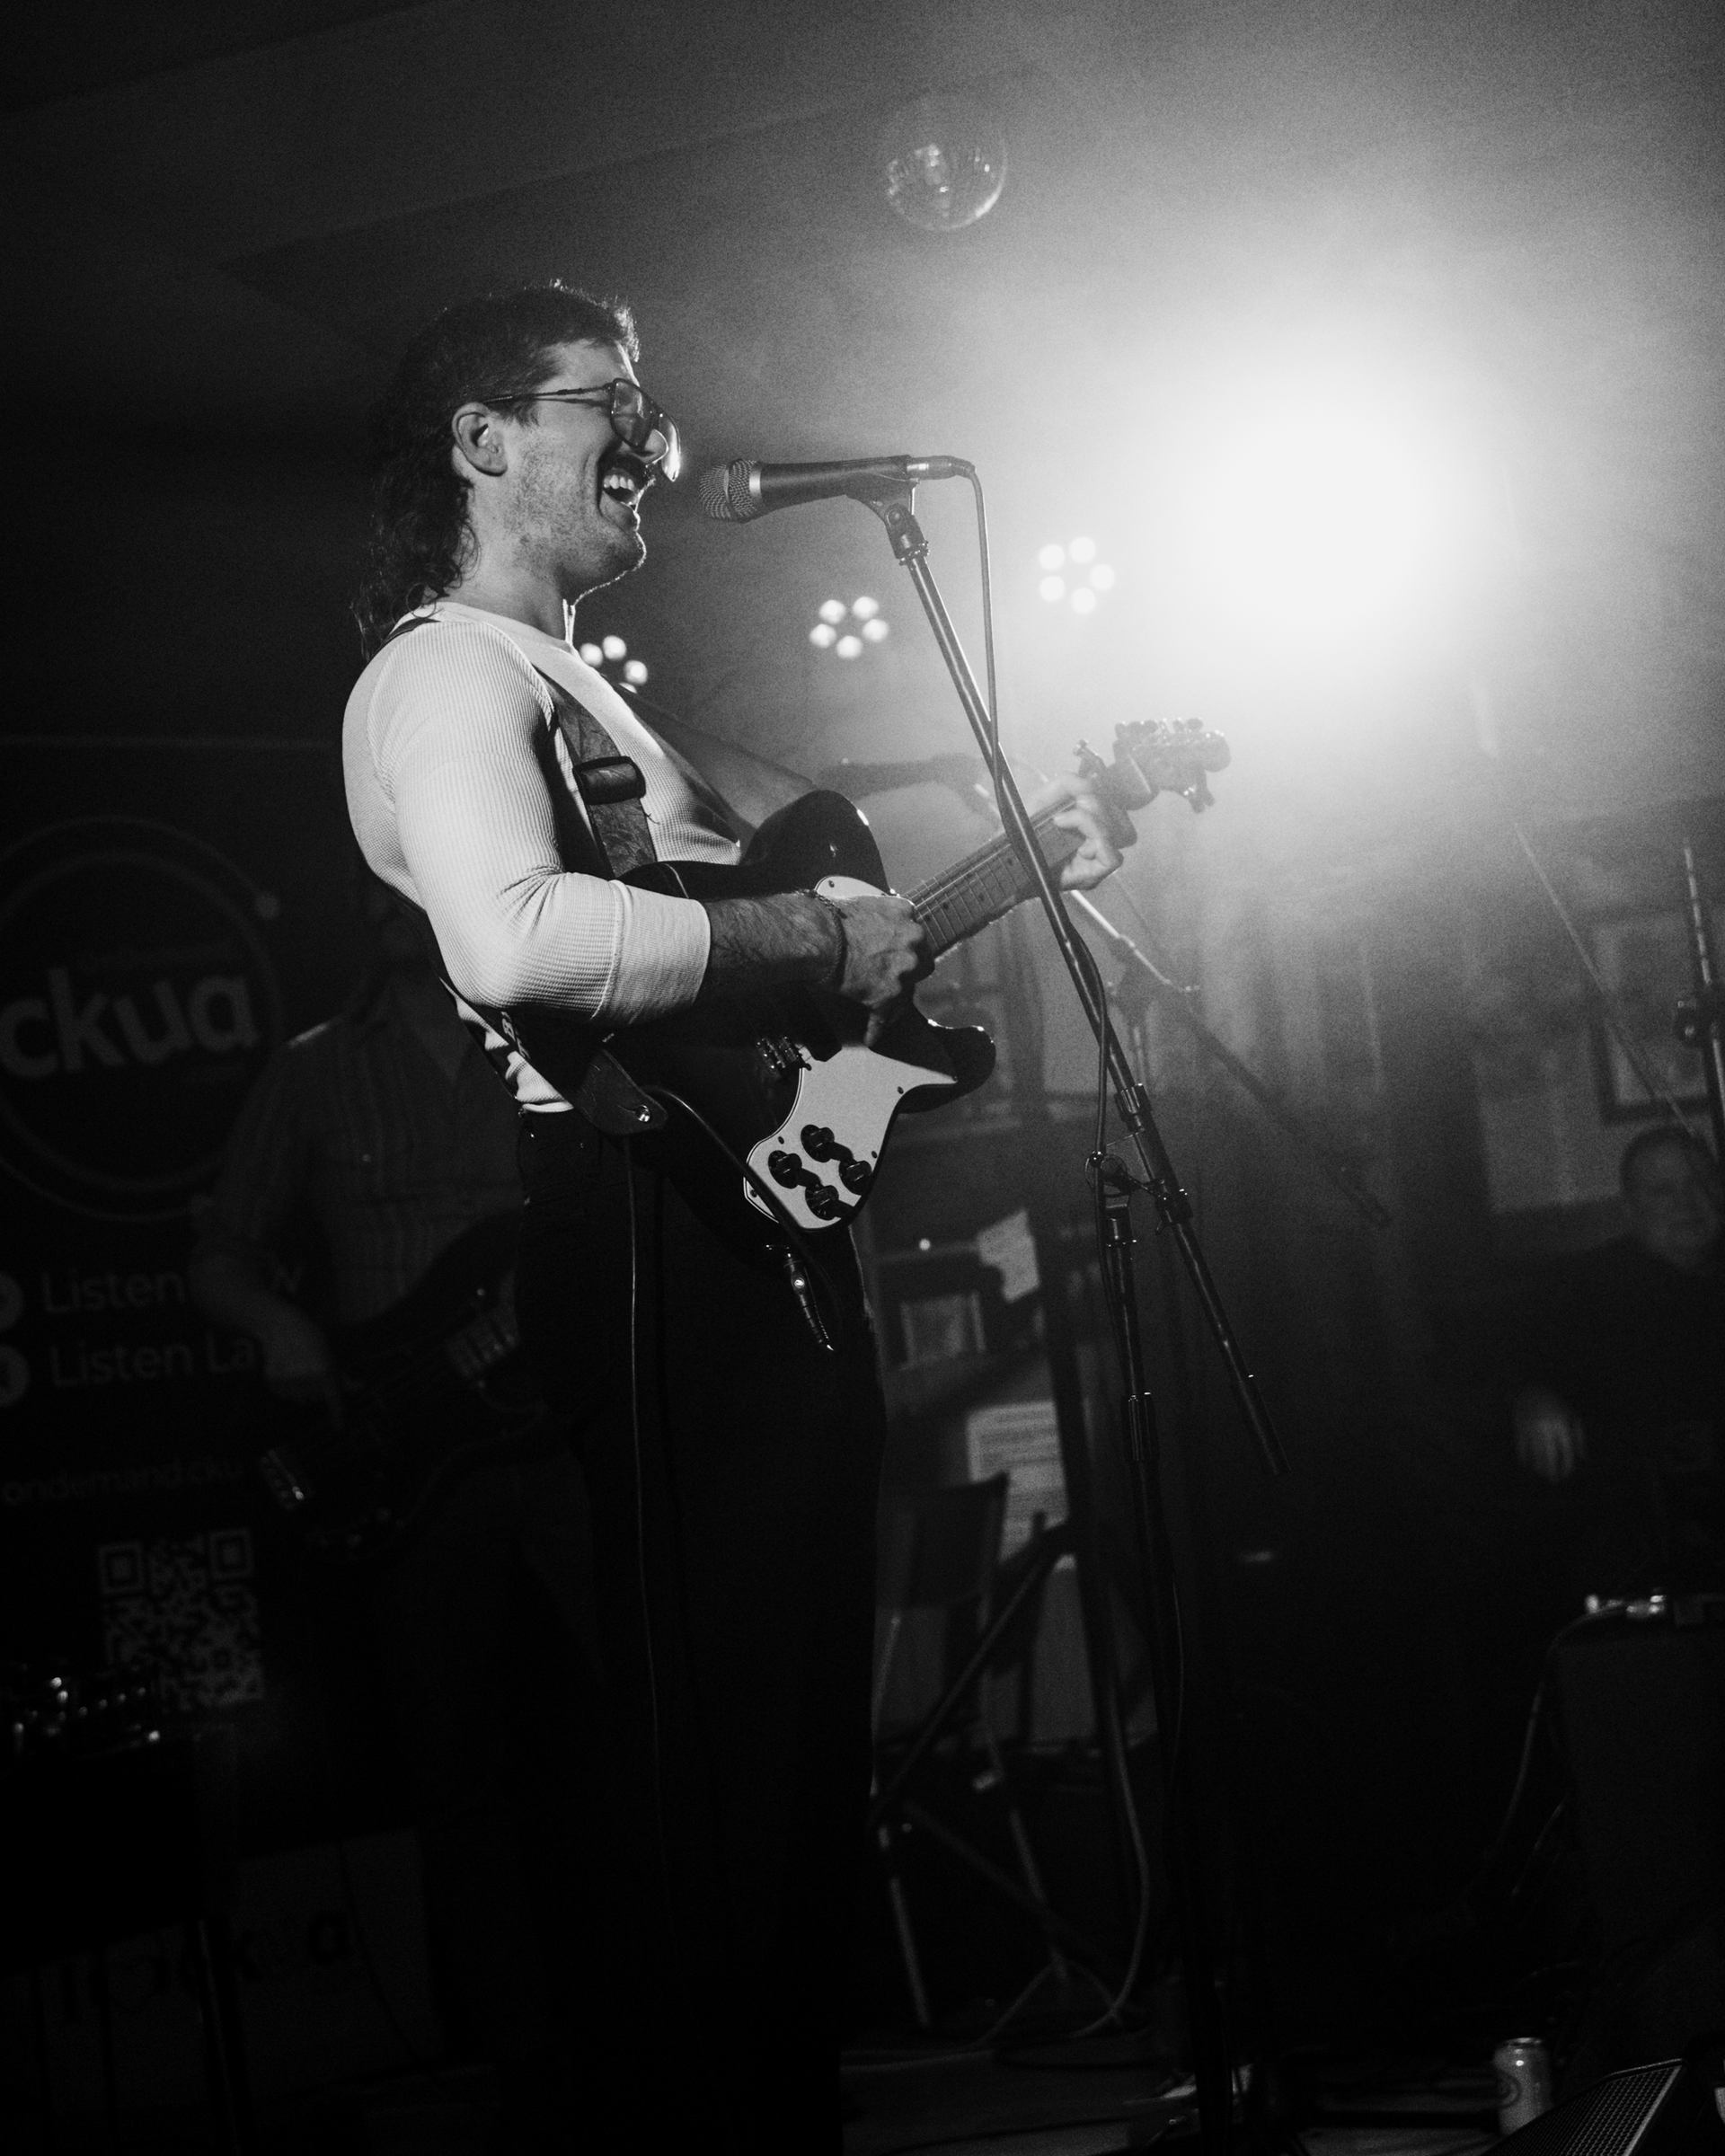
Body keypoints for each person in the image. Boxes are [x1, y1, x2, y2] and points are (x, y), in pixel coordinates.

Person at [342, 279, 1127, 2152]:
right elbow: (511, 937)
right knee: (721, 1771)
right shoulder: (444, 672)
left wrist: (867, 957)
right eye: (607, 396)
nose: (651, 429)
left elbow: (780, 978)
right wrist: (798, 935)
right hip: (642, 1241)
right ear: (484, 441)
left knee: (785, 1769)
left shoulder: (591, 687)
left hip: (739, 1232)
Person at [190, 883, 610, 2150]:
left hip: (555, 1434)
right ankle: (532, 2075)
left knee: (620, 1728)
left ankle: (655, 2034)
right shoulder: (316, 1076)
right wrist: (286, 1334)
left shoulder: (549, 1046)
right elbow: (218, 1253)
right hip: (406, 1460)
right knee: (461, 1775)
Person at [1512, 1122, 1725, 1595]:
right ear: (1630, 1209)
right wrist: (1534, 1396)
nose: (1689, 1203)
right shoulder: (1587, 1287)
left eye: (1701, 1183)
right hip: (1643, 1530)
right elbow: (1525, 1359)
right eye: (1663, 1191)